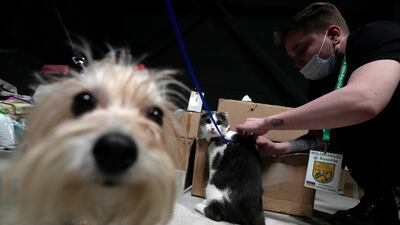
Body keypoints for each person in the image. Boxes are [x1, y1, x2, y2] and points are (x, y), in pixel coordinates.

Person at [236, 2, 400, 225]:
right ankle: (380, 200)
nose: (297, 63)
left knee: (348, 110)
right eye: (292, 58)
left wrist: (268, 123)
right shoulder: (322, 81)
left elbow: (366, 99)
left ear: (333, 34)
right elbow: (320, 138)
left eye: (301, 49)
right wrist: (279, 148)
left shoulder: (376, 37)